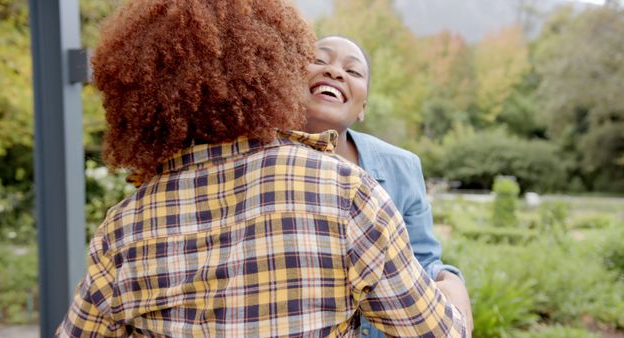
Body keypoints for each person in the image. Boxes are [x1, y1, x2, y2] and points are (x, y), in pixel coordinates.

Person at [56, 1, 466, 337]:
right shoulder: (345, 192)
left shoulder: (124, 226)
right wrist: (455, 289)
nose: (335, 72)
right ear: (275, 68)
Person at [304, 36, 474, 337]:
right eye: (320, 60)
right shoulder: (256, 162)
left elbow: (423, 262)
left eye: (353, 71)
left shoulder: (402, 167)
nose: (335, 72)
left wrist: (452, 281)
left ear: (362, 108)